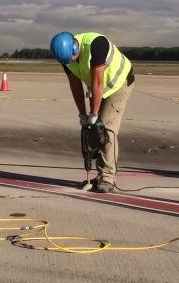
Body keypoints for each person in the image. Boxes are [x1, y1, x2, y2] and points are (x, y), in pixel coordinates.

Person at [49, 31, 135, 193]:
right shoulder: (66, 58)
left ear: (75, 46)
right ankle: (100, 174)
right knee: (95, 130)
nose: (72, 61)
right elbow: (75, 85)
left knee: (106, 127)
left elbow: (98, 82)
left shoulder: (96, 45)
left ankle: (108, 177)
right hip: (99, 88)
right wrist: (82, 114)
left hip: (119, 83)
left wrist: (94, 115)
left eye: (73, 57)